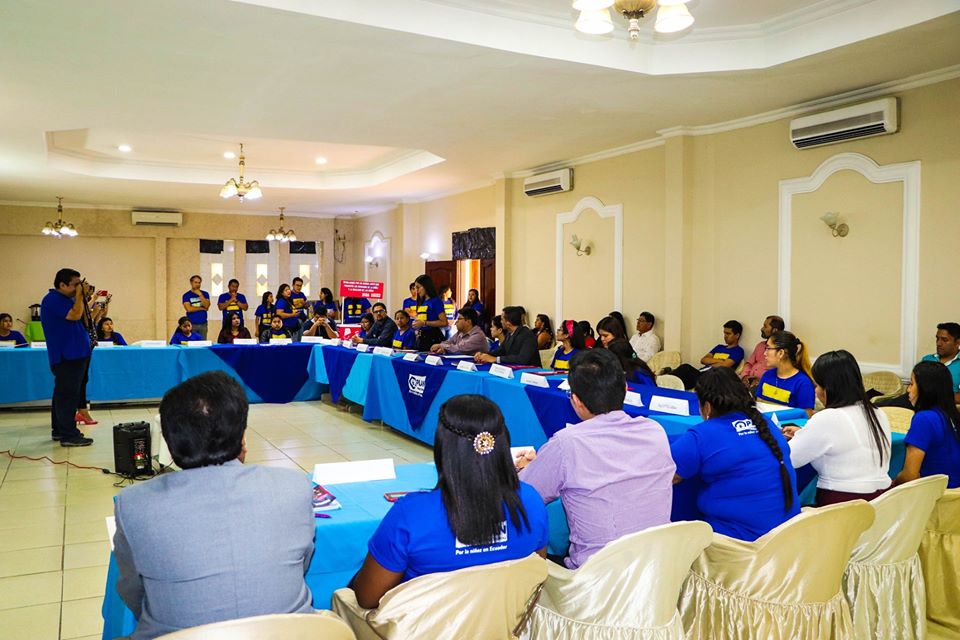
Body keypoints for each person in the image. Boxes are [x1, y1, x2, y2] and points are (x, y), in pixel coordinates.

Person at [113, 371, 315, 639]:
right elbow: (301, 565)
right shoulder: (295, 486)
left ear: (169, 443)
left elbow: (132, 590)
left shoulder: (133, 504)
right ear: (242, 435)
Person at [350, 395, 549, 608]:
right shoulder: (532, 502)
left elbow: (366, 598)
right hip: (505, 622)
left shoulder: (411, 514)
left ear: (443, 447)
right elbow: (534, 577)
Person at [517, 349, 675, 568]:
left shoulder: (566, 443)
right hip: (657, 570)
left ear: (576, 401)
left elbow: (522, 496)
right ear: (625, 389)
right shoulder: (654, 431)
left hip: (596, 579)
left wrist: (525, 468)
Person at [670, 367, 800, 541]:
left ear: (706, 407)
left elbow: (664, 474)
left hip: (739, 545)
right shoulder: (766, 424)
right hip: (788, 539)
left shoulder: (702, 435)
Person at [783, 350, 892, 505]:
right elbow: (847, 442)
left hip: (842, 505)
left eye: (817, 385)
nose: (816, 391)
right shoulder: (877, 412)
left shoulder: (827, 418)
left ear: (828, 388)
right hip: (883, 503)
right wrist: (804, 434)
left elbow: (789, 457)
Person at [40, 268, 94, 446]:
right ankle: (69, 435)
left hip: (76, 354)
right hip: (66, 355)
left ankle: (59, 430)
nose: (78, 287)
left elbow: (85, 319)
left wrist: (83, 297)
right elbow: (75, 315)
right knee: (67, 396)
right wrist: (79, 295)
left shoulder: (67, 299)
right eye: (75, 284)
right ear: (62, 285)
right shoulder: (53, 299)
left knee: (62, 394)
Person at [893, 361, 960, 488]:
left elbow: (909, 476)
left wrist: (894, 482)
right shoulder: (951, 414)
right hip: (955, 494)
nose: (908, 390)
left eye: (911, 384)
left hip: (937, 494)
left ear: (925, 388)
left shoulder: (924, 418)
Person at [878, 323, 960, 408]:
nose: (939, 343)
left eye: (944, 340)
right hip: (915, 400)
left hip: (942, 406)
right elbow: (913, 384)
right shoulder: (928, 359)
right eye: (937, 338)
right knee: (881, 406)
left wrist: (935, 396)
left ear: (957, 342)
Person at [754, 330, 816, 417]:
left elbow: (806, 417)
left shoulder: (803, 383)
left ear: (781, 353)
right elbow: (759, 406)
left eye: (768, 349)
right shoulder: (767, 375)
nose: (764, 353)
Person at [670, 320, 745, 390]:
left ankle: (666, 377)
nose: (725, 336)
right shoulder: (719, 347)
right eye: (724, 333)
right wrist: (721, 361)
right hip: (701, 374)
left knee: (685, 368)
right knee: (679, 379)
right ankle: (666, 378)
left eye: (728, 334)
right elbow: (703, 360)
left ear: (737, 335)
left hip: (713, 379)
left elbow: (724, 365)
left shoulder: (738, 351)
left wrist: (712, 362)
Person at [475, 306, 540, 366]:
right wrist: (484, 355)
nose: (501, 322)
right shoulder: (509, 334)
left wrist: (496, 359)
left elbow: (522, 359)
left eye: (502, 319)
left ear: (508, 323)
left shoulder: (528, 335)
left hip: (530, 371)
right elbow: (501, 351)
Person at [741, 315, 785, 390]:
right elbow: (749, 364)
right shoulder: (760, 345)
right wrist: (745, 377)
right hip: (748, 382)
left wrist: (760, 381)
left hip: (766, 386)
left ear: (775, 330)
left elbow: (780, 374)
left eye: (765, 326)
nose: (762, 329)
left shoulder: (781, 351)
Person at [411, 274, 446, 351]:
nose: (417, 291)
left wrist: (424, 323)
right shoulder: (422, 302)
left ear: (426, 286)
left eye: (418, 287)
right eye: (415, 288)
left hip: (433, 337)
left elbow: (444, 322)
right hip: (421, 336)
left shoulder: (435, 301)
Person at [181, 275, 210, 339]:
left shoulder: (205, 294)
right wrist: (201, 308)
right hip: (191, 324)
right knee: (192, 342)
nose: (197, 284)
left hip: (203, 323)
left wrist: (200, 295)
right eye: (195, 282)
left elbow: (207, 306)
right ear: (191, 283)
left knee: (202, 342)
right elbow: (189, 309)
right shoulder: (186, 295)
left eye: (199, 283)